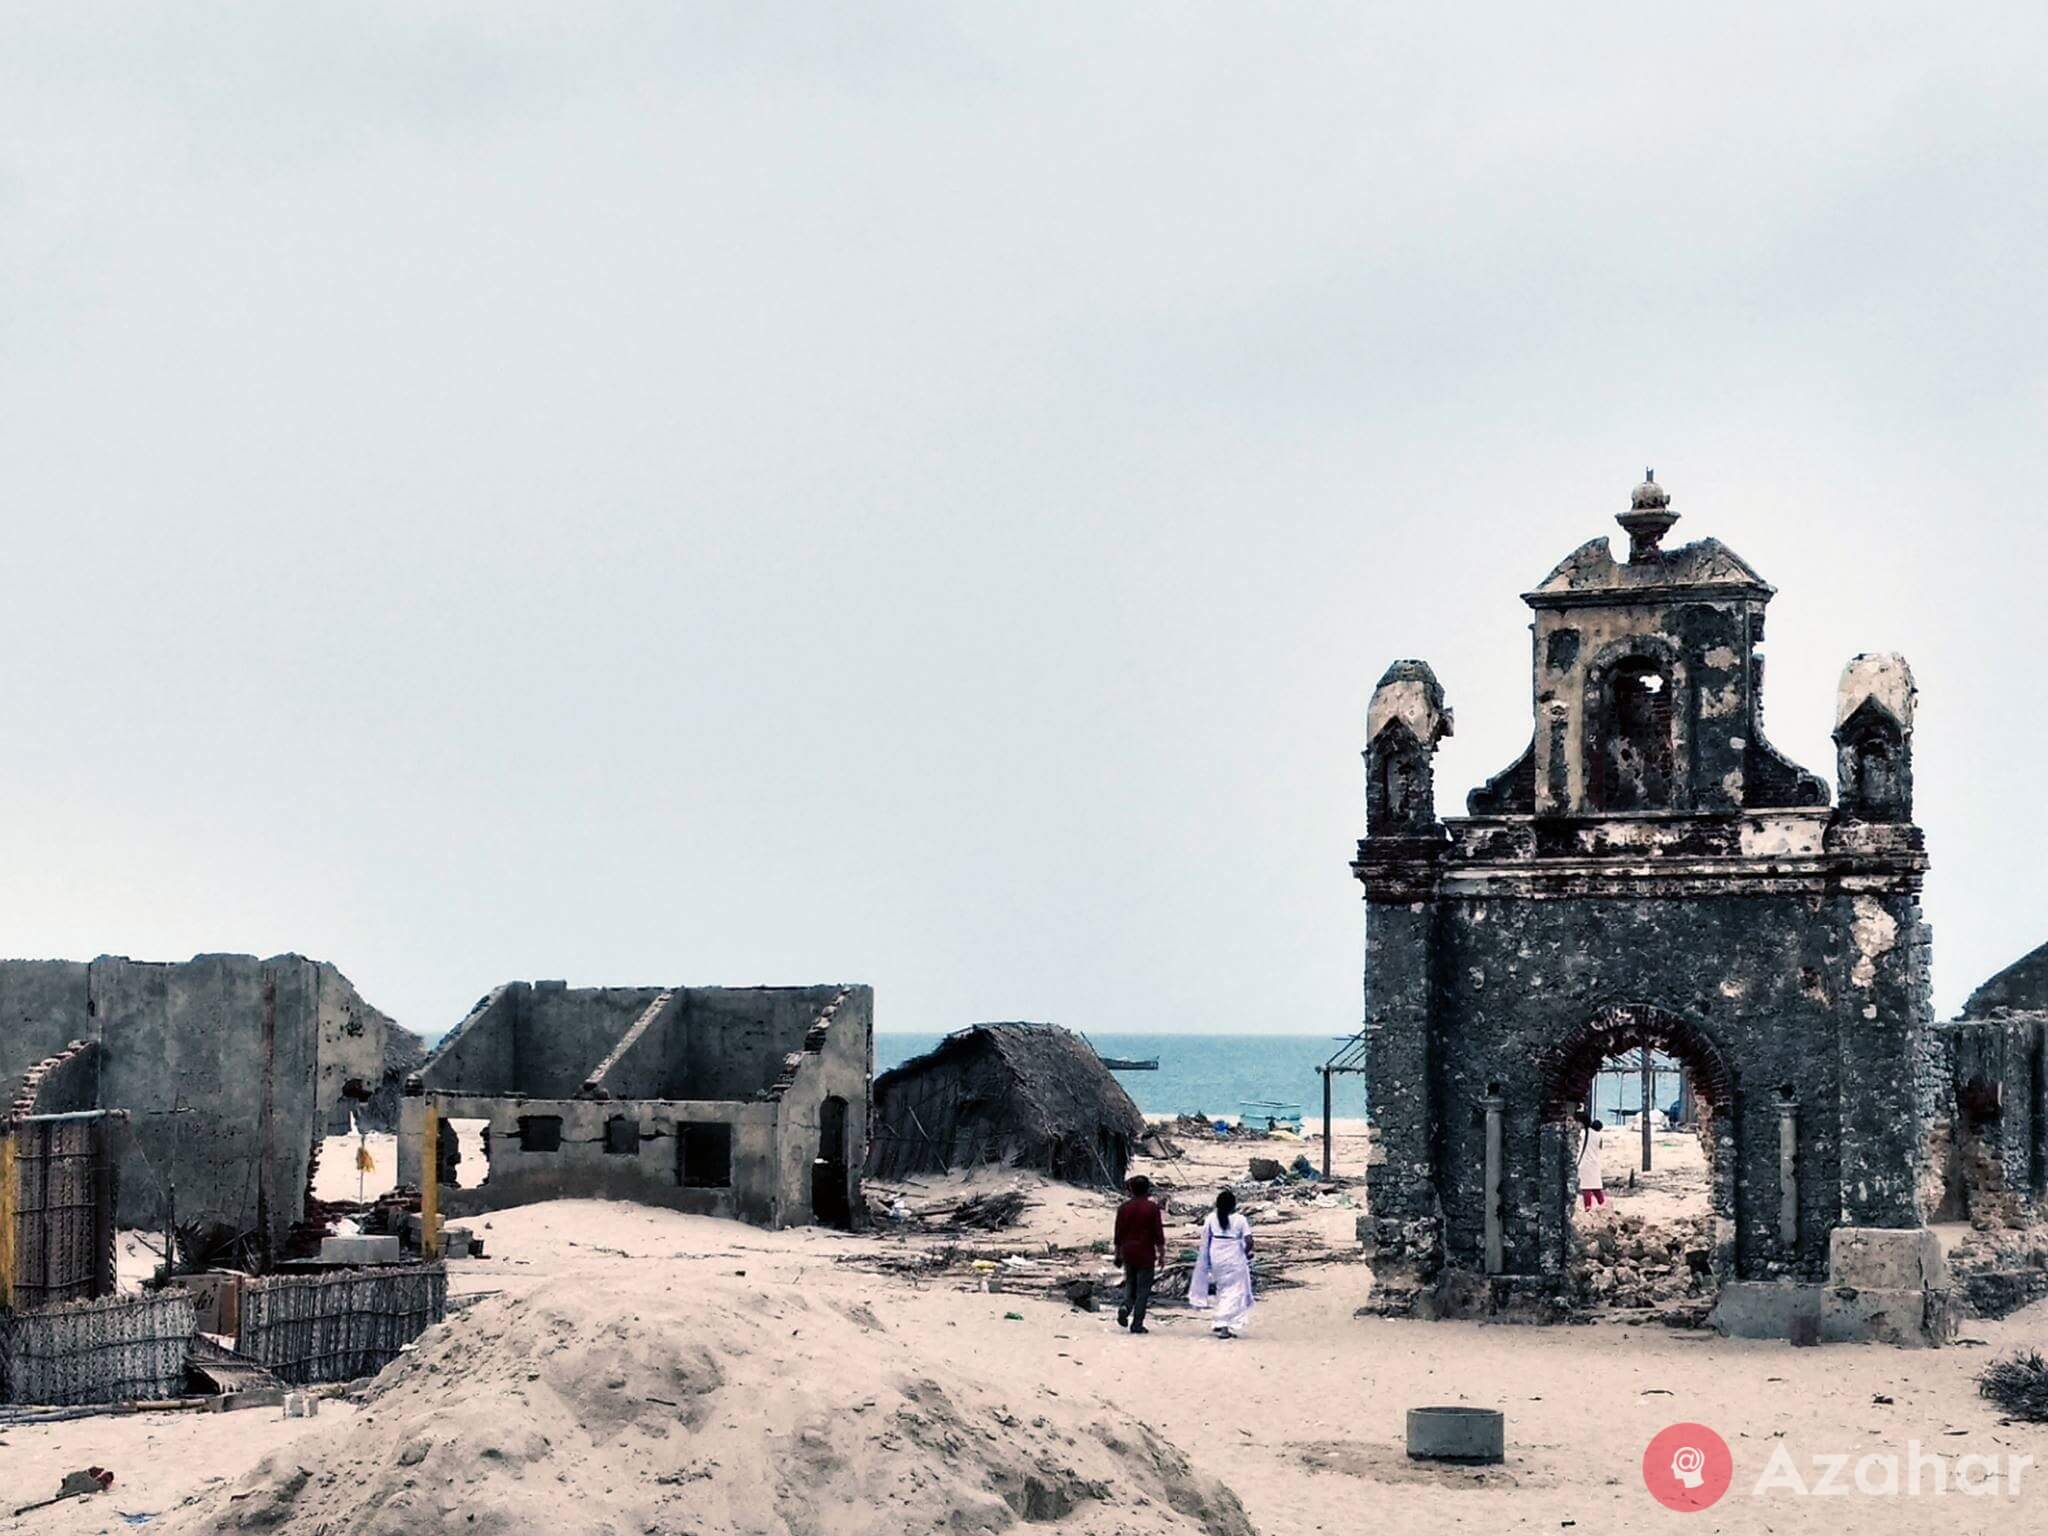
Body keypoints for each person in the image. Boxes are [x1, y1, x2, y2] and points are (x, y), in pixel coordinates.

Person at [1188, 1188, 1254, 1337]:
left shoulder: (1211, 1218)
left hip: (1216, 1256)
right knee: (1234, 1292)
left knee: (1222, 1289)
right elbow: (1249, 1240)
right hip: (1234, 1257)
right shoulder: (1240, 1219)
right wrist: (1246, 1252)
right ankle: (1223, 1324)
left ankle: (1221, 1322)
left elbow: (1205, 1239)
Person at [1112, 1174, 1166, 1334]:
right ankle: (1137, 1323)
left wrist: (1117, 1255)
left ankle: (1125, 1306)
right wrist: (1162, 1254)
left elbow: (1118, 1235)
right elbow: (1158, 1234)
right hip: (1145, 1253)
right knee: (1143, 1290)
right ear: (1147, 1190)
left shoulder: (1123, 1208)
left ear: (1131, 1190)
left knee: (1130, 1283)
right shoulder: (1152, 1208)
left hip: (1128, 1251)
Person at [1577, 1117, 1608, 1211]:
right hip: (1595, 1163)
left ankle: (1588, 1206)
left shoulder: (1583, 1133)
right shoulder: (1599, 1136)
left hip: (1584, 1162)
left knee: (1586, 1187)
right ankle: (1602, 1204)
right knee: (1596, 1186)